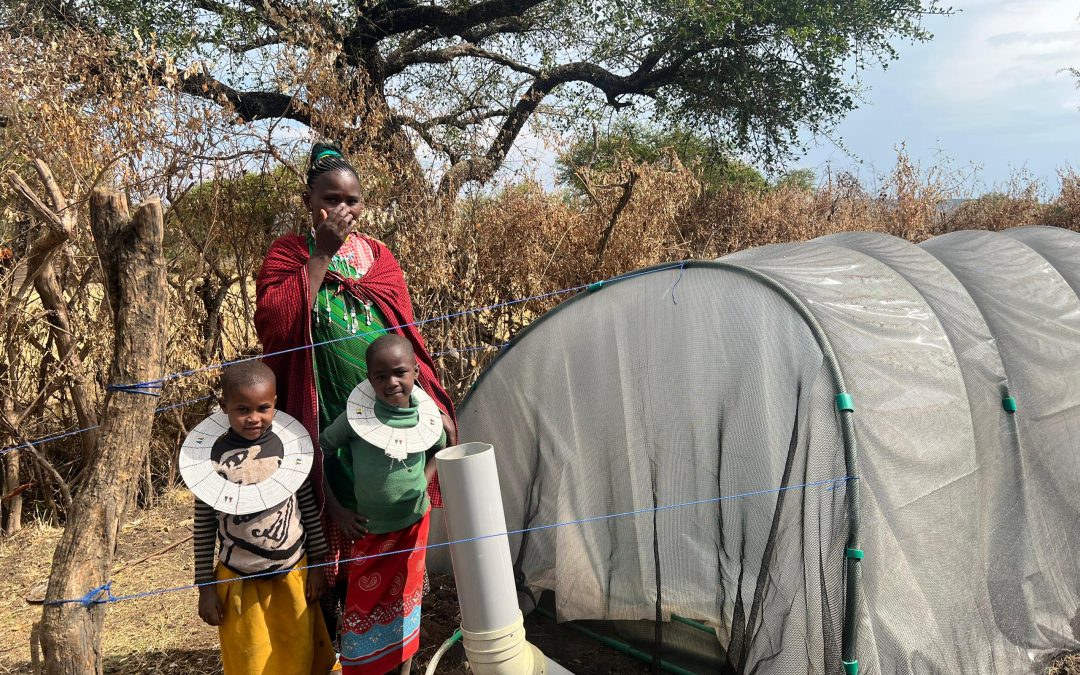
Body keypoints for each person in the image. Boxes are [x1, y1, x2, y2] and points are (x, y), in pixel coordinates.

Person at [254, 143, 457, 640]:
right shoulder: (289, 253)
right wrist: (320, 254)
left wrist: (430, 396)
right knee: (333, 515)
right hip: (323, 410)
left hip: (387, 407)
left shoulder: (379, 258)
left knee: (389, 507)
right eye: (331, 198)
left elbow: (405, 333)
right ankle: (343, 637)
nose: (342, 210)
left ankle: (390, 635)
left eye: (352, 200)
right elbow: (275, 325)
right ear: (309, 200)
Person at [193, 361, 337, 675]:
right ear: (224, 407)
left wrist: (317, 566)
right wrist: (205, 587)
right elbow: (203, 527)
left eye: (263, 408)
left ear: (276, 404)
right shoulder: (208, 462)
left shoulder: (289, 449)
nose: (253, 418)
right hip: (239, 580)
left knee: (297, 650)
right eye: (242, 409)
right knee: (250, 659)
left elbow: (308, 509)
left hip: (293, 574)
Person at [320, 335, 445, 674]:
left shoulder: (427, 418)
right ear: (368, 377)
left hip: (414, 526)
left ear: (416, 372)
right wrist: (336, 509)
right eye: (380, 376)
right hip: (370, 532)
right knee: (362, 610)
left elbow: (439, 449)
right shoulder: (355, 419)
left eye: (400, 372)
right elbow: (320, 453)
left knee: (407, 603)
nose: (391, 382)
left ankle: (403, 669)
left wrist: (424, 479)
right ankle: (364, 667)